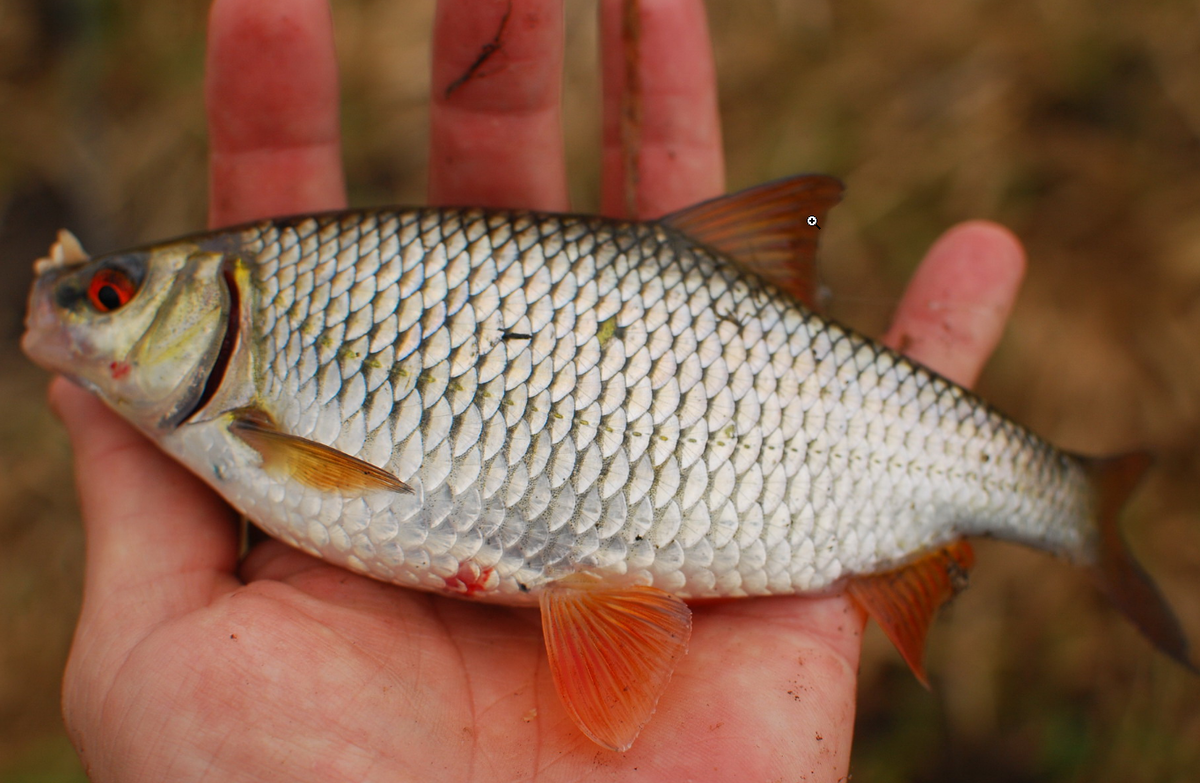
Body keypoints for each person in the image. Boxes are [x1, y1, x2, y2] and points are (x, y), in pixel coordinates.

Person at [50, 1, 1025, 780]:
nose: (83, 312)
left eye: (107, 294)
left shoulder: (243, 419)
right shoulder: (230, 413)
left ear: (221, 305)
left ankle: (1059, 499)